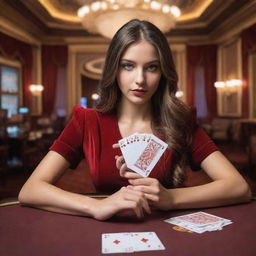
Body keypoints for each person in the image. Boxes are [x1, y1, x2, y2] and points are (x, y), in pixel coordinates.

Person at [19, 19, 251, 221]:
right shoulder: (86, 120)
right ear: (114, 69)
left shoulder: (180, 120)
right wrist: (96, 206)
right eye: (128, 66)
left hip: (170, 235)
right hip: (107, 232)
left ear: (163, 74)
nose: (140, 79)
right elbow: (30, 190)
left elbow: (238, 187)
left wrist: (171, 197)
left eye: (152, 68)